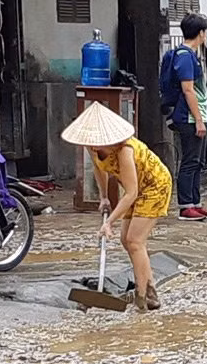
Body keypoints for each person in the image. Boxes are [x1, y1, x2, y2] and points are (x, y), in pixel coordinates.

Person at [61, 102, 173, 312]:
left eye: (99, 143)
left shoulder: (125, 150)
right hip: (134, 187)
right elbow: (99, 168)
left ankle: (141, 298)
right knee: (126, 240)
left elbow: (131, 193)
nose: (94, 147)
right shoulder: (93, 146)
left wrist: (109, 222)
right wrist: (104, 197)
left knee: (134, 240)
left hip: (154, 185)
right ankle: (150, 290)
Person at [169, 13, 207, 221]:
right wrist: (198, 119)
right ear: (201, 33)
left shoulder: (191, 55)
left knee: (197, 162)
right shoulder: (184, 56)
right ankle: (185, 205)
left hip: (197, 116)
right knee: (189, 161)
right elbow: (188, 90)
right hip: (189, 118)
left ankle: (196, 203)